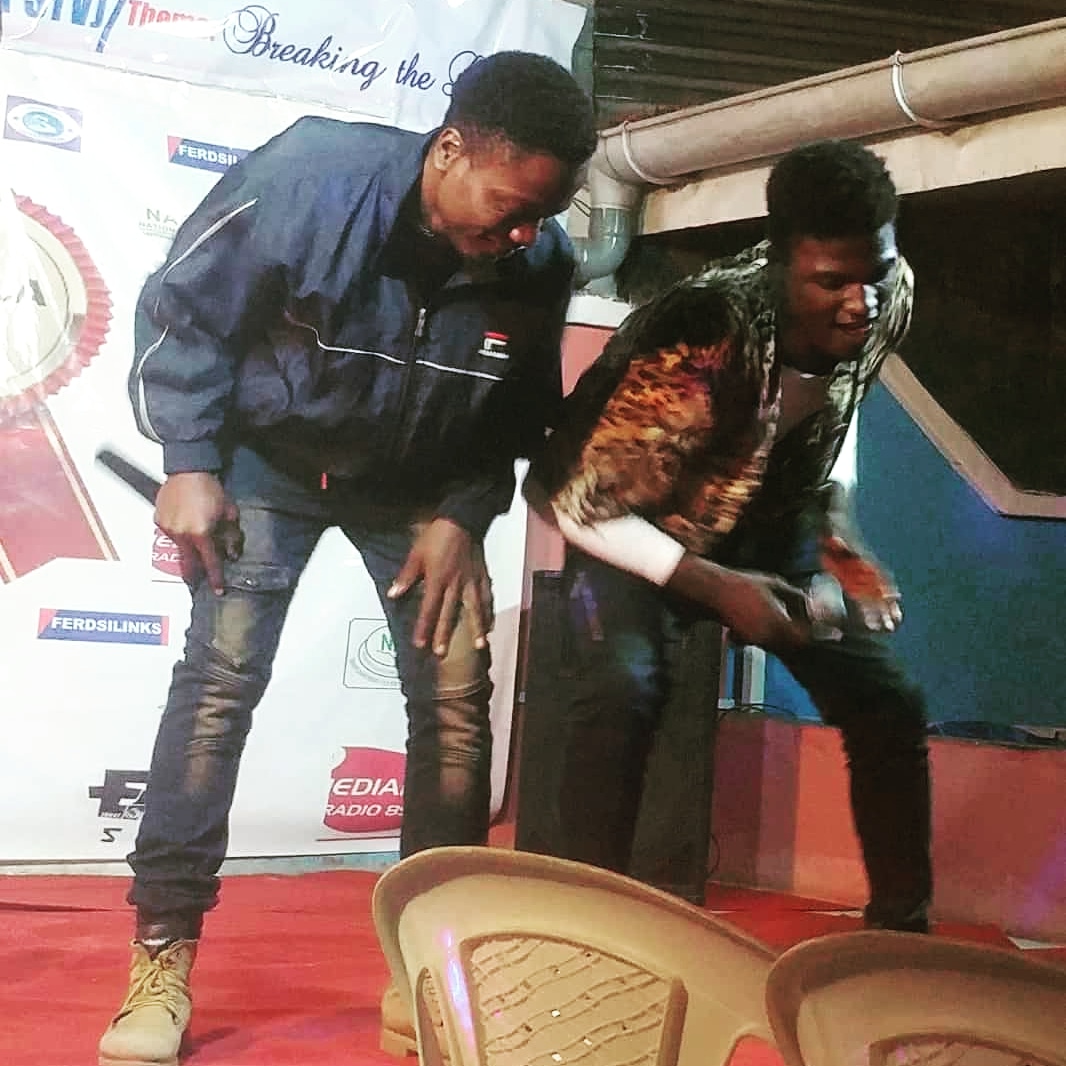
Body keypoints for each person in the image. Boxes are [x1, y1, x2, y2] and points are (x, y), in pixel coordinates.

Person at [98, 51, 597, 1066]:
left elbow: (514, 410)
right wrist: (190, 461)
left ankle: (433, 970)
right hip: (270, 464)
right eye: (508, 209)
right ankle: (160, 957)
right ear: (449, 152)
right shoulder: (304, 183)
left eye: (540, 218)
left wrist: (464, 513)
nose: (521, 236)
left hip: (422, 488)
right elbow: (182, 311)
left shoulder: (538, 262)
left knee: (456, 698)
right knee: (219, 686)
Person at [526, 139, 932, 936]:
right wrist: (717, 586)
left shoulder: (893, 293)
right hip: (631, 517)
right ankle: (580, 935)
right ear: (781, 266)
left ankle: (902, 939)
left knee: (888, 702)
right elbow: (581, 503)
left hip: (766, 517)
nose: (860, 303)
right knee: (622, 690)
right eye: (831, 282)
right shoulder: (703, 329)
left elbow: (838, 404)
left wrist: (839, 530)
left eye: (874, 275)